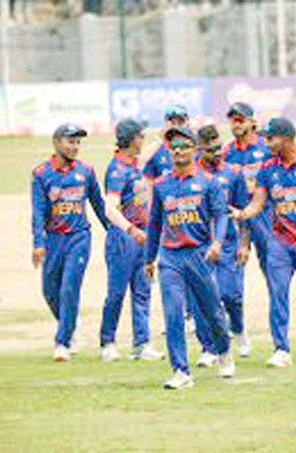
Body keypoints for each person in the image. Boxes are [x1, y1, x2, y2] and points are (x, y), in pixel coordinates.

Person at [231, 118, 296, 367]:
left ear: (286, 138)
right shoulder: (267, 168)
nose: (266, 143)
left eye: (270, 138)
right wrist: (242, 214)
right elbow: (258, 202)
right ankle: (281, 349)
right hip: (279, 242)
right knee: (277, 293)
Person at [144, 125, 235, 389]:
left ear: (194, 150)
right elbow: (154, 224)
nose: (178, 151)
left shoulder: (208, 182)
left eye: (183, 146)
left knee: (212, 311)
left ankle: (223, 351)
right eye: (173, 147)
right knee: (173, 314)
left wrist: (217, 243)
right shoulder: (162, 185)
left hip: (199, 254)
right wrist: (149, 259)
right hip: (170, 257)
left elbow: (221, 215)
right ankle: (181, 372)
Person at [31, 123, 108, 361]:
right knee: (49, 291)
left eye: (77, 142)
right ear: (56, 142)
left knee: (69, 288)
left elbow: (98, 204)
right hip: (53, 239)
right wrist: (38, 243)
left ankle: (62, 343)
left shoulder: (86, 171)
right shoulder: (41, 174)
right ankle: (70, 321)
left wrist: (114, 231)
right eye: (70, 141)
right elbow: (38, 212)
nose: (75, 147)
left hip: (79, 238)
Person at [99, 118, 164, 363]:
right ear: (131, 139)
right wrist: (130, 229)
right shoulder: (117, 171)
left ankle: (142, 343)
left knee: (142, 291)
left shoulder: (134, 164)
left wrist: (165, 136)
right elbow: (109, 209)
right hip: (124, 238)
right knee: (116, 292)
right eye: (140, 135)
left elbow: (148, 153)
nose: (143, 139)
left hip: (142, 236)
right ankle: (108, 342)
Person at [191, 124, 251, 362]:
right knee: (201, 298)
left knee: (230, 295)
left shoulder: (232, 173)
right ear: (199, 149)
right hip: (199, 244)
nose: (217, 153)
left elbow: (243, 211)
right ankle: (209, 348)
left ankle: (238, 329)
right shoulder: (192, 174)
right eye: (210, 150)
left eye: (219, 148)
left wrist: (244, 244)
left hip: (228, 243)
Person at [142, 105, 196, 334]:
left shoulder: (194, 149)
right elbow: (146, 180)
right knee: (171, 269)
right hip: (168, 219)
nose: (176, 125)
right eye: (171, 121)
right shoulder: (157, 152)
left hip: (193, 217)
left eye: (180, 121)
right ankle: (177, 315)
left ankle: (194, 314)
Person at [223, 102, 273, 300]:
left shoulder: (266, 147)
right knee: (232, 276)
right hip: (237, 217)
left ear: (252, 122)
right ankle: (235, 316)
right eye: (232, 120)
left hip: (265, 215)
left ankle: (278, 314)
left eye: (240, 120)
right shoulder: (227, 152)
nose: (236, 124)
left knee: (272, 272)